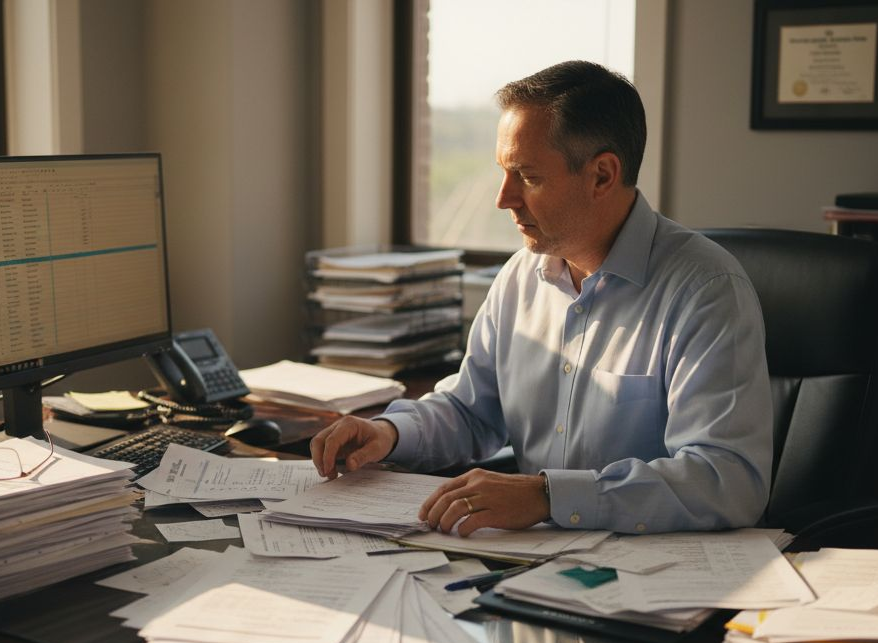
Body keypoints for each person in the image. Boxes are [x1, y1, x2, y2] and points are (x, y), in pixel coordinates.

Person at [310, 60, 773, 537]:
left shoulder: (705, 290)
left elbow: (728, 480)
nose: (504, 198)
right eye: (503, 173)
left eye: (527, 177)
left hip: (651, 575)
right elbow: (471, 410)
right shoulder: (520, 278)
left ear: (602, 175)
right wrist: (389, 434)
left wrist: (548, 496)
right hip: (532, 562)